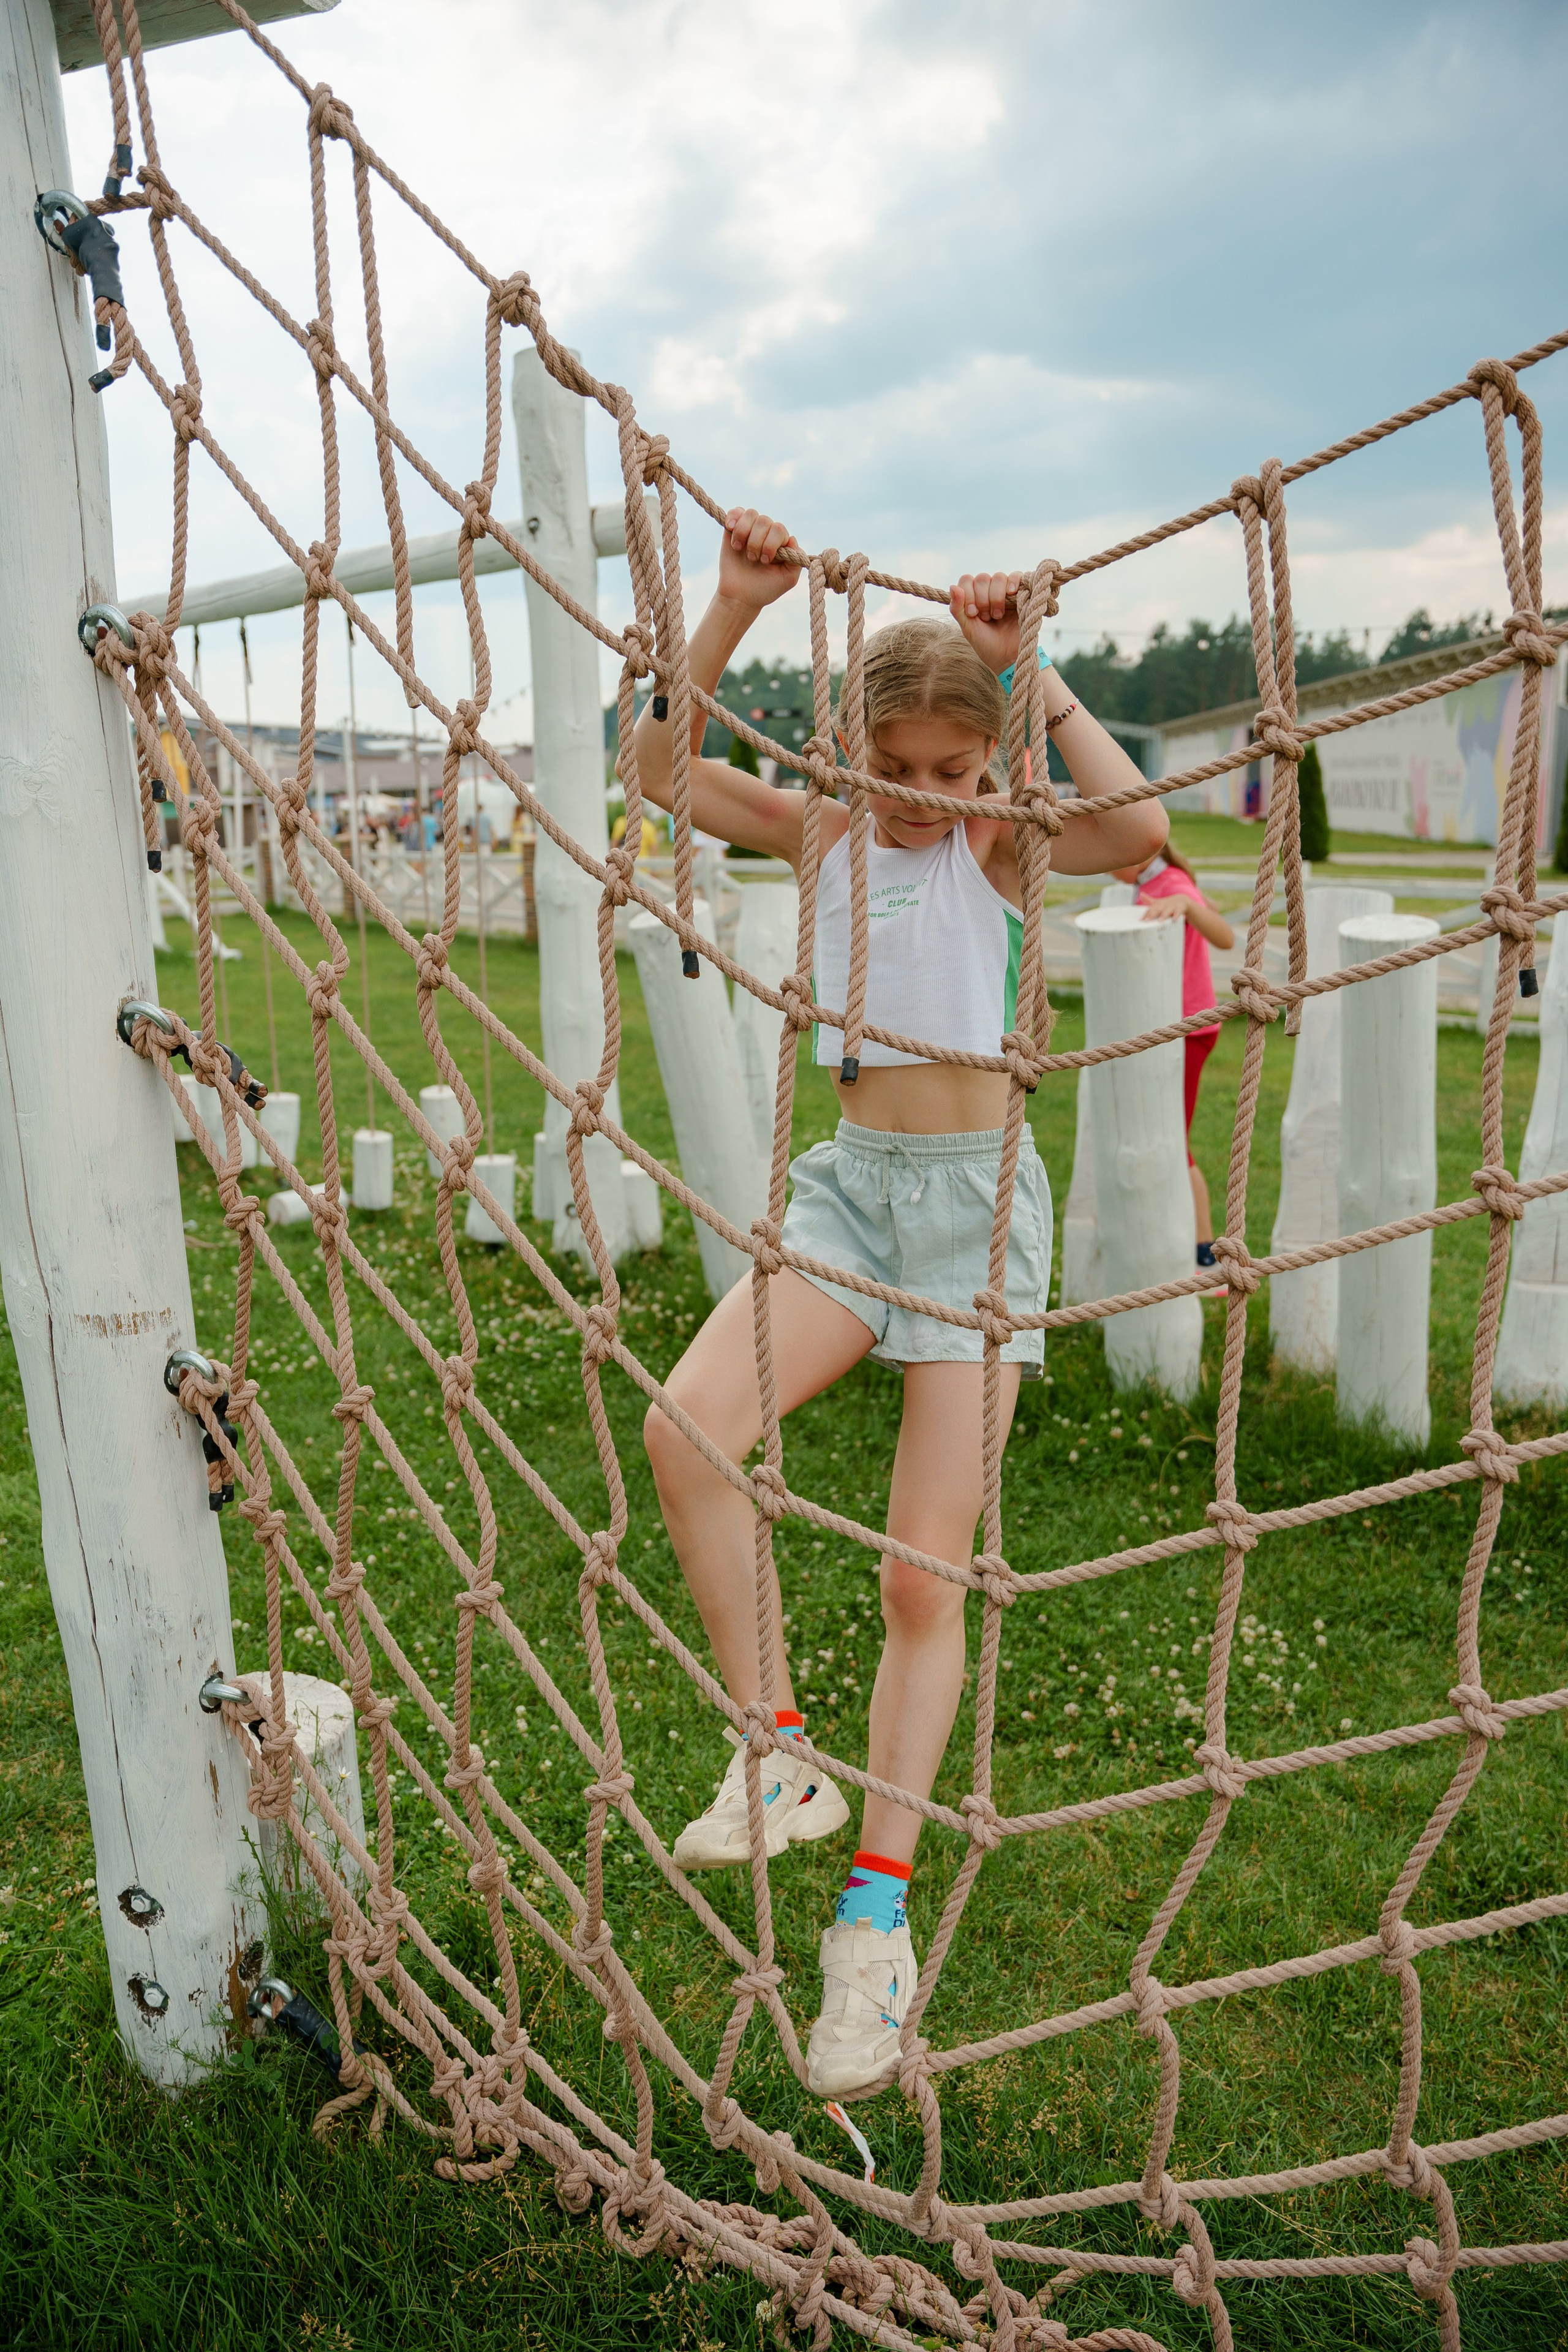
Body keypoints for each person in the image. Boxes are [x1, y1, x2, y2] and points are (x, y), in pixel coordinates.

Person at [630, 510, 1169, 2097]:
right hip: (854, 1197)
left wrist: (1031, 675)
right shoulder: (823, 832)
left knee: (925, 1585)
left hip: (982, 1224)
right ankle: (775, 1748)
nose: (928, 801)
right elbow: (657, 775)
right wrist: (732, 604)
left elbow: (1136, 835)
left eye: (954, 769)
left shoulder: (1004, 837)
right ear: (851, 750)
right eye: (903, 769)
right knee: (686, 1431)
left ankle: (874, 1925)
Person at [1109, 845, 1235, 1268]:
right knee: (1163, 1135)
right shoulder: (1154, 880)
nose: (1107, 865)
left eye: (1115, 854)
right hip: (1168, 1027)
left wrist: (1188, 903)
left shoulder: (1172, 884)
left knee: (1175, 1142)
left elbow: (1225, 936)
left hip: (1190, 1030)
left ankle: (1206, 1253)